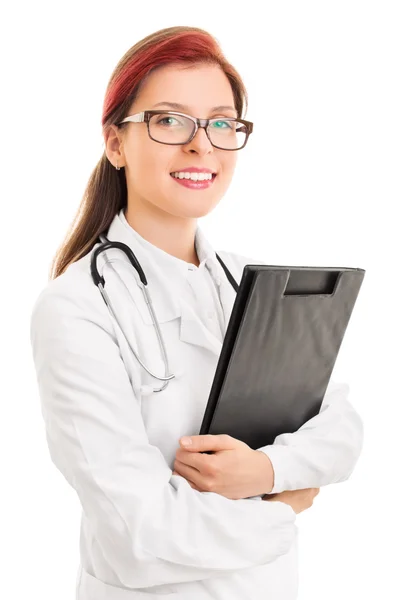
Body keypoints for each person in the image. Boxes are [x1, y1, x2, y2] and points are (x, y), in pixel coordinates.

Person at [29, 25, 364, 600]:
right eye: (168, 120)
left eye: (221, 122)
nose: (201, 145)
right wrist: (283, 507)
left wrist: (264, 473)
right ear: (115, 144)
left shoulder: (254, 284)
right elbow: (140, 533)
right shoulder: (78, 307)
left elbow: (341, 431)